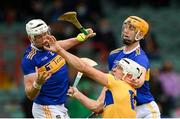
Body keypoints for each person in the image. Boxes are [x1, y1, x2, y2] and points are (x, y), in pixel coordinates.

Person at [43, 36, 143, 118]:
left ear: (128, 76)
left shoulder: (117, 83)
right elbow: (97, 107)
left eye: (120, 68)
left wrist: (59, 50)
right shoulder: (126, 90)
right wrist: (77, 94)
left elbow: (84, 67)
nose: (114, 69)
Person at [21, 19, 95, 118]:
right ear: (31, 38)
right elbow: (30, 95)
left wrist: (79, 39)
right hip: (46, 107)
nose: (45, 39)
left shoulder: (49, 43)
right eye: (40, 36)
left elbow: (59, 45)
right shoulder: (29, 60)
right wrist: (38, 83)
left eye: (46, 33)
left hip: (60, 104)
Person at [108, 16, 161, 118]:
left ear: (140, 34)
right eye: (125, 27)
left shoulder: (140, 57)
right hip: (125, 111)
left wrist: (137, 81)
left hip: (145, 110)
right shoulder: (113, 55)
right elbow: (110, 83)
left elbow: (139, 81)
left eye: (131, 28)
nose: (126, 31)